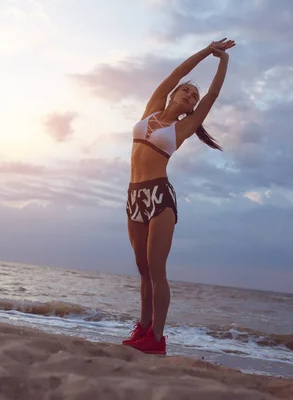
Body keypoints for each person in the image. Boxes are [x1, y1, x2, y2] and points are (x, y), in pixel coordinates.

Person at [122, 38, 236, 355]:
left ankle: (157, 340)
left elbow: (212, 95)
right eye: (186, 90)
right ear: (174, 94)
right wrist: (204, 52)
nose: (189, 94)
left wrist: (222, 60)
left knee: (157, 271)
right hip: (134, 196)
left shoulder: (182, 128)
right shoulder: (151, 110)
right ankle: (142, 329)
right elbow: (176, 73)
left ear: (192, 108)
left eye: (193, 97)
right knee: (143, 271)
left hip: (160, 198)